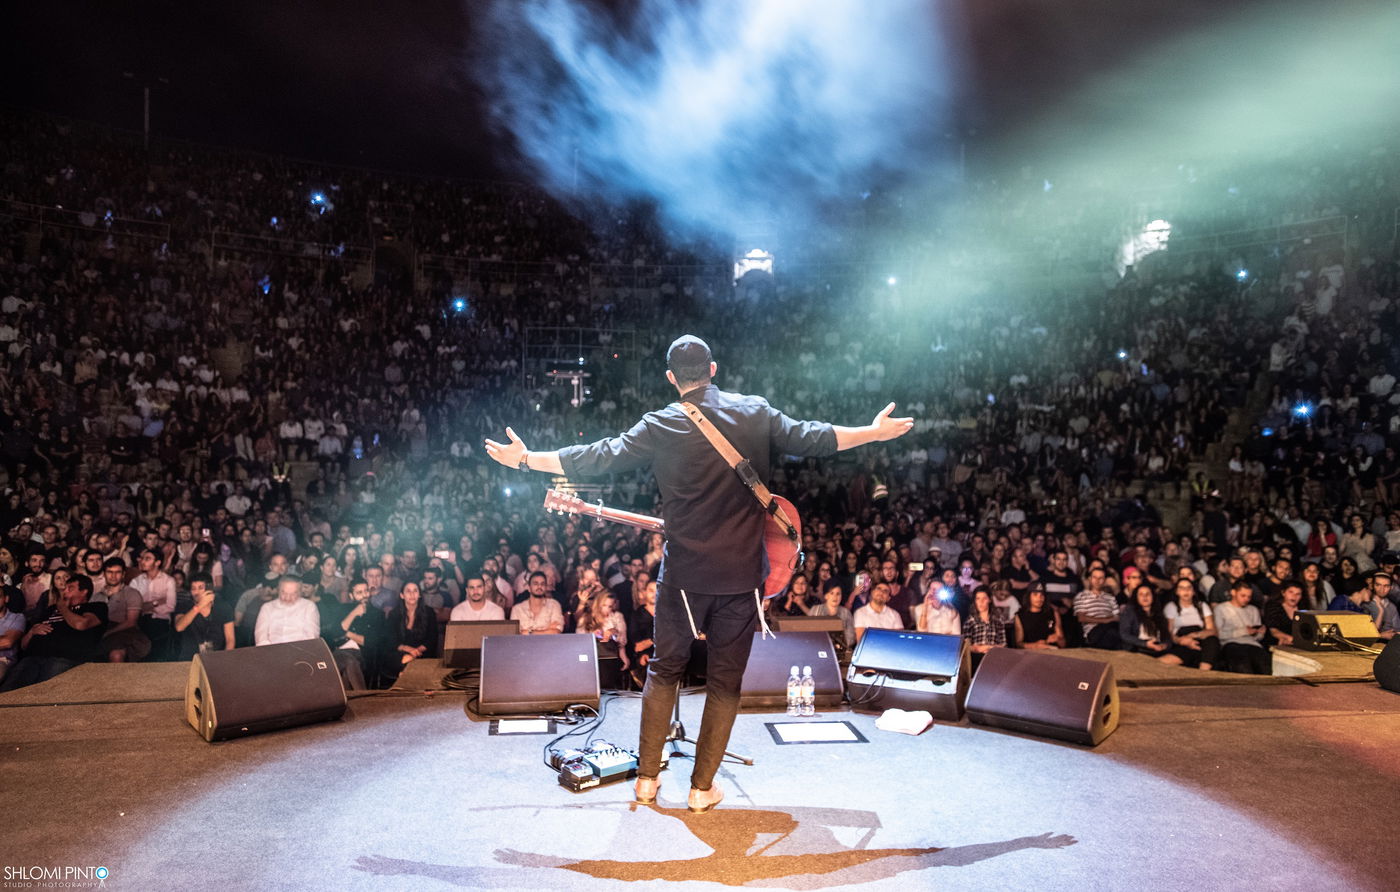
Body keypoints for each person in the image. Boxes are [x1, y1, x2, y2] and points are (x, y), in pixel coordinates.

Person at [486, 334, 912, 813]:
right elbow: (815, 437)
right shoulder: (754, 411)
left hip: (683, 578)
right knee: (725, 683)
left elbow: (597, 454)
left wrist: (525, 459)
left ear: (672, 379)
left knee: (663, 672)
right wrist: (873, 432)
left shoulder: (660, 424)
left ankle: (646, 780)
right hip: (740, 580)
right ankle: (700, 788)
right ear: (713, 368)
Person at [0, 575, 107, 692]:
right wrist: (31, 632)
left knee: (45, 694)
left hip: (63, 658)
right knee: (8, 693)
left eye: (70, 588)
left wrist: (62, 608)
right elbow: (23, 646)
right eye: (64, 588)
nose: (64, 591)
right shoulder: (50, 610)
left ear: (84, 592)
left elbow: (81, 625)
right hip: (31, 658)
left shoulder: (96, 607)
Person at [384, 580, 438, 683]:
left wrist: (415, 652)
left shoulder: (429, 612)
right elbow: (391, 641)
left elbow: (432, 639)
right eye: (408, 591)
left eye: (415, 591)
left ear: (419, 595)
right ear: (402, 595)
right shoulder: (394, 614)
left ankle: (404, 678)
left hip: (422, 653)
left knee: (410, 661)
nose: (412, 594)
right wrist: (409, 650)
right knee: (399, 658)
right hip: (400, 652)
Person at [1119, 584, 1184, 665]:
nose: (1145, 597)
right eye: (1141, 594)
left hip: (1157, 647)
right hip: (1138, 647)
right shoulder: (1129, 611)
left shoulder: (1158, 613)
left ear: (1153, 596)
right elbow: (1124, 635)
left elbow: (1167, 636)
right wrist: (1145, 644)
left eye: (1148, 594)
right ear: (1136, 597)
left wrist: (1165, 645)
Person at [173, 573, 235, 659]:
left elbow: (230, 640)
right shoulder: (184, 606)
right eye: (193, 589)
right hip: (189, 658)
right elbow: (179, 627)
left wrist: (224, 660)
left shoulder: (223, 607)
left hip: (216, 657)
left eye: (200, 588)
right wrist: (199, 606)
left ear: (209, 589)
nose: (196, 592)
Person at [1162, 577, 1219, 670]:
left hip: (1200, 636)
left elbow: (1212, 630)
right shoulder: (1171, 607)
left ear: (1193, 591)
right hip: (1181, 638)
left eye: (1189, 588)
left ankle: (1203, 672)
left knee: (1212, 641)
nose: (1186, 591)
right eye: (1182, 588)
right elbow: (1168, 632)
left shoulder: (1202, 606)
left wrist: (1196, 635)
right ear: (1177, 591)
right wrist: (1181, 640)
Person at [1215, 581, 1270, 675]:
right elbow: (1218, 634)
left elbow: (1256, 638)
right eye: (1243, 595)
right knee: (1243, 666)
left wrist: (1260, 633)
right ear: (1233, 593)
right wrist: (1243, 631)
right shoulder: (1221, 609)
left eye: (1249, 596)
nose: (1246, 599)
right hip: (1231, 644)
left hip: (1253, 645)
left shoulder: (1253, 610)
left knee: (1265, 666)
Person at [577, 593, 630, 689]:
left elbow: (622, 640)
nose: (607, 609)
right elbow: (579, 640)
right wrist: (595, 636)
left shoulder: (616, 617)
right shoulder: (586, 618)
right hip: (591, 658)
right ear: (598, 604)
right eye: (604, 605)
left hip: (610, 657)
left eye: (610, 606)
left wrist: (613, 633)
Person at [253, 576, 320, 646]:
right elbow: (261, 637)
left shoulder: (309, 607)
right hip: (271, 651)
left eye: (293, 594)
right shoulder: (267, 608)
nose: (287, 598)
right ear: (278, 590)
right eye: (284, 593)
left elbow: (312, 637)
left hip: (300, 652)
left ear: (300, 592)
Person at [962, 585, 1006, 672]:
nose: (981, 602)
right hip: (976, 656)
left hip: (994, 656)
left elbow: (1003, 644)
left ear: (989, 600)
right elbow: (966, 646)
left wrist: (990, 647)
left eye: (984, 598)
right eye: (978, 599)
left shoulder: (998, 619)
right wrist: (978, 648)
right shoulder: (970, 620)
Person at [807, 582, 856, 655]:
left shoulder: (846, 613)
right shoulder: (815, 610)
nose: (835, 597)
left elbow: (851, 637)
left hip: (841, 652)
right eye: (832, 593)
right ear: (826, 596)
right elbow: (809, 632)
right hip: (817, 650)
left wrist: (837, 646)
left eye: (838, 594)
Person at [1014, 583, 1064, 649]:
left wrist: (1058, 639)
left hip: (1052, 651)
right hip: (1030, 653)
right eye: (1035, 595)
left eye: (1042, 595)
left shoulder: (1053, 613)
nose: (1039, 598)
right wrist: (1035, 645)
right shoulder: (1020, 616)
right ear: (1029, 597)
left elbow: (1063, 644)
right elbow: (1018, 644)